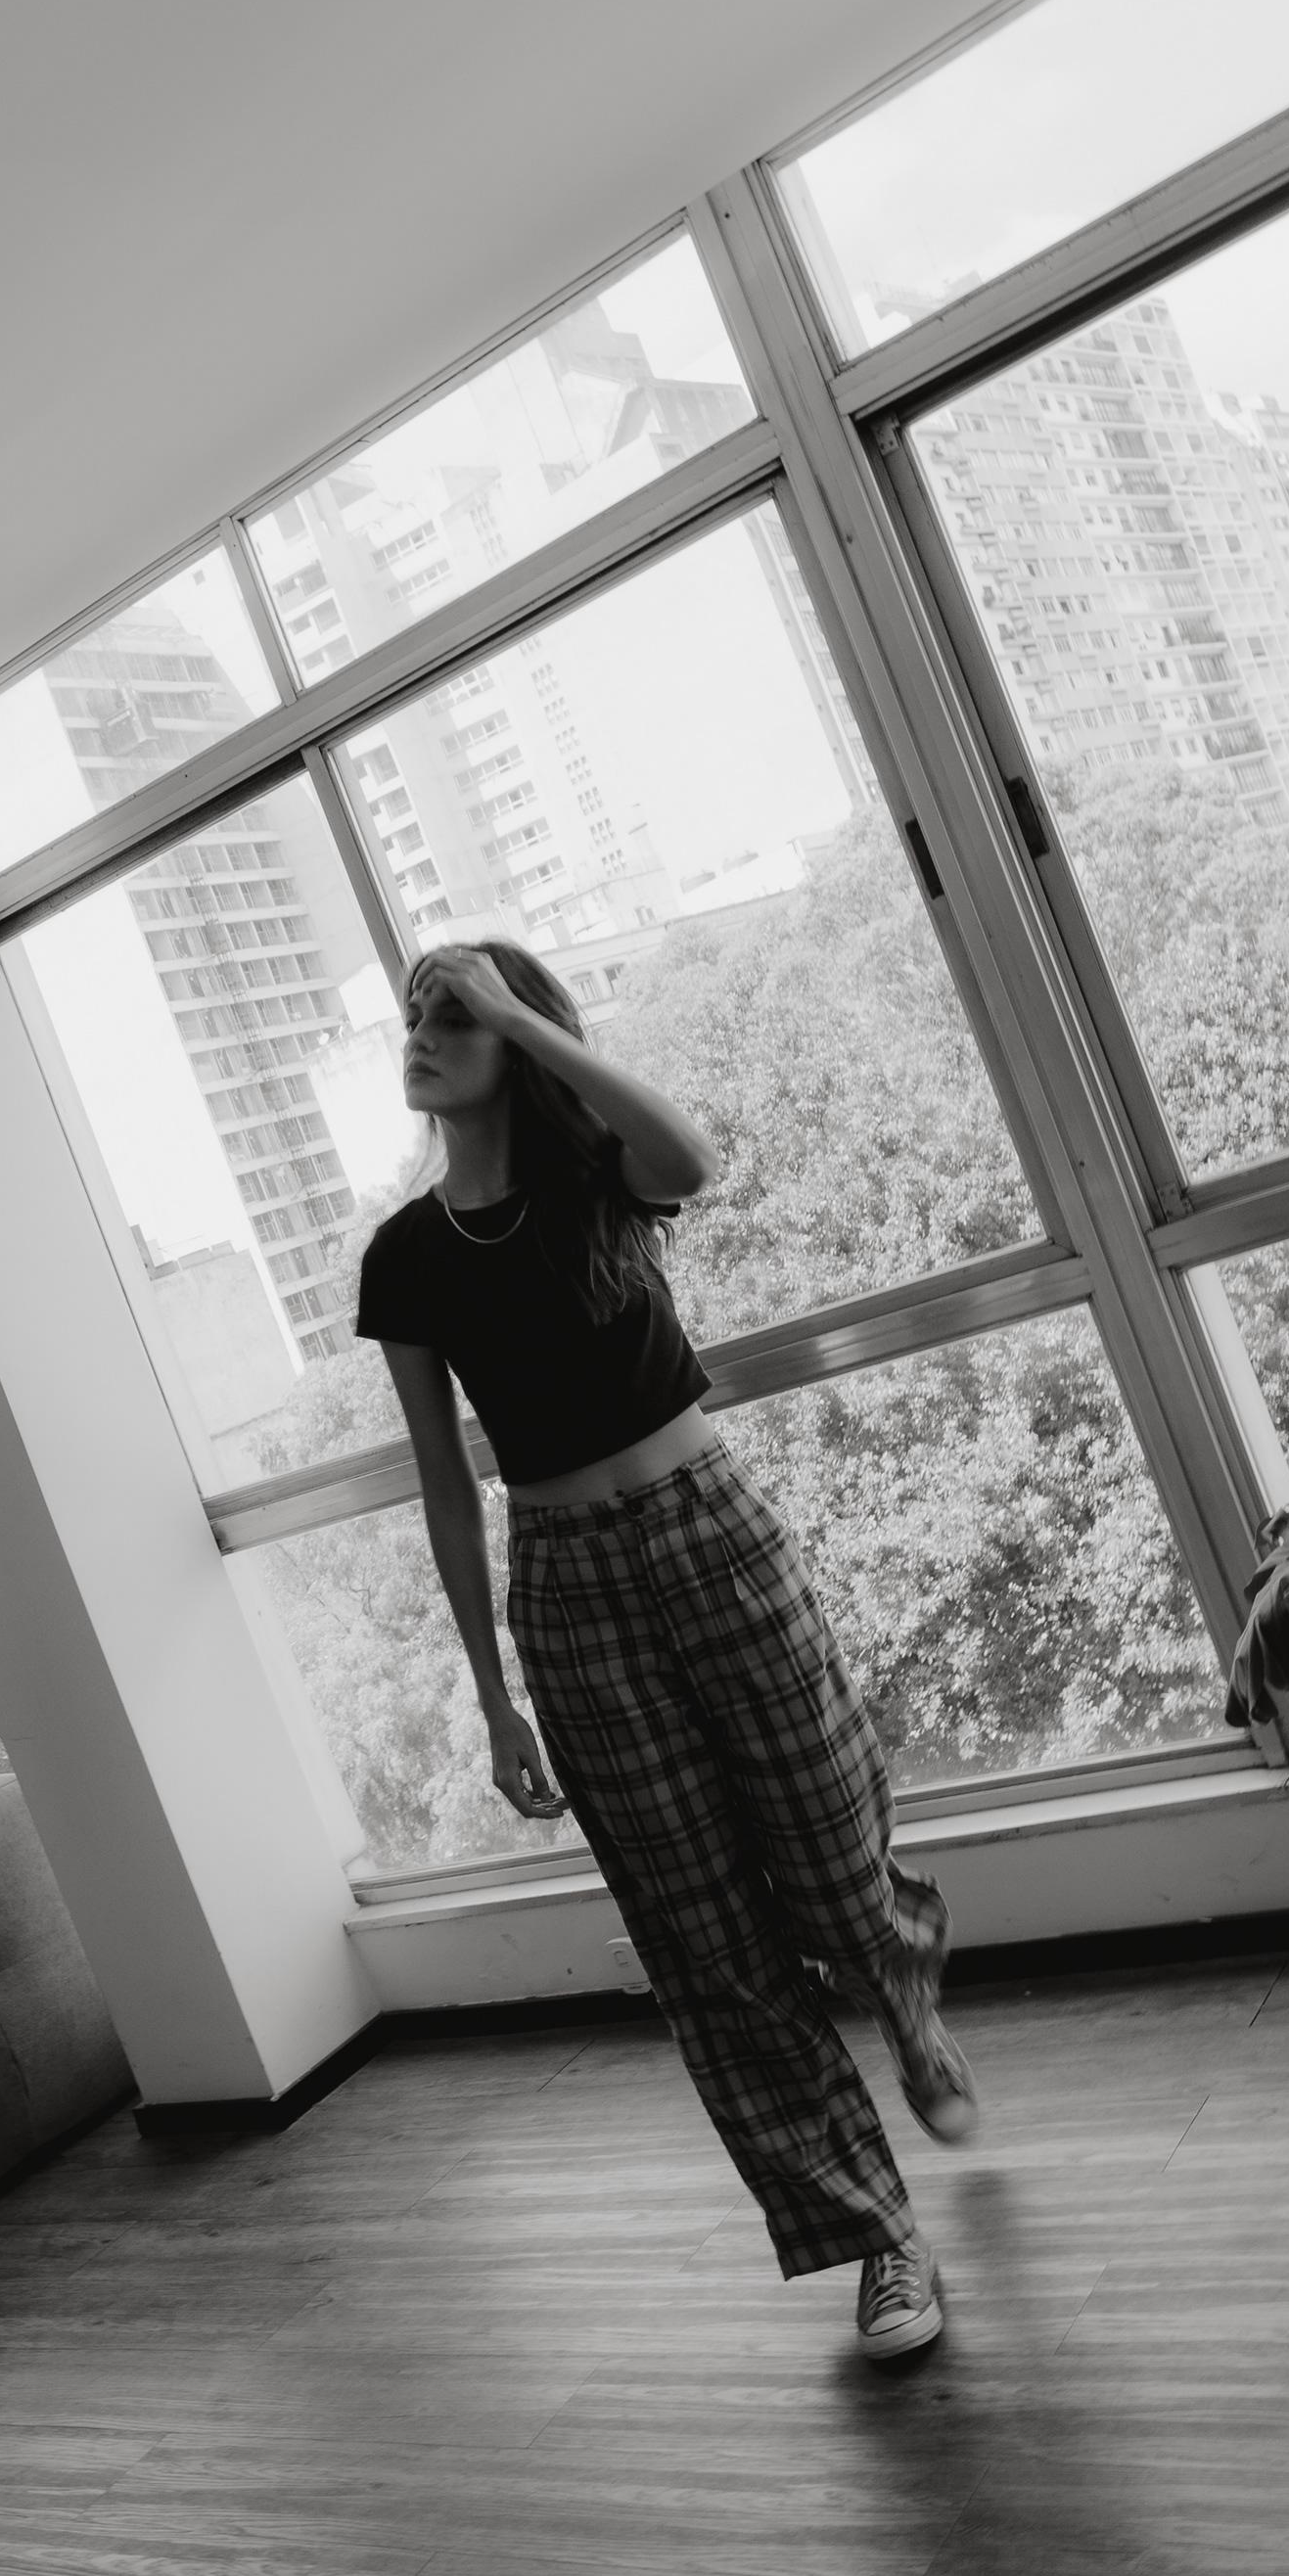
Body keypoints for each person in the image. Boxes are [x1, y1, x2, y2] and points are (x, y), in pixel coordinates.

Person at [355, 938, 978, 2358]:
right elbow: (445, 1485)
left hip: (709, 1525)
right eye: (415, 1016)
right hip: (568, 1586)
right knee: (705, 1940)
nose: (422, 1035)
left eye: (455, 1016)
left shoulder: (598, 1177)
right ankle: (879, 2236)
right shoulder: (405, 1257)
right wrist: (491, 1698)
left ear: (516, 1036)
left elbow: (692, 1156)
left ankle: (899, 1977)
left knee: (830, 1845)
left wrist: (517, 1014)